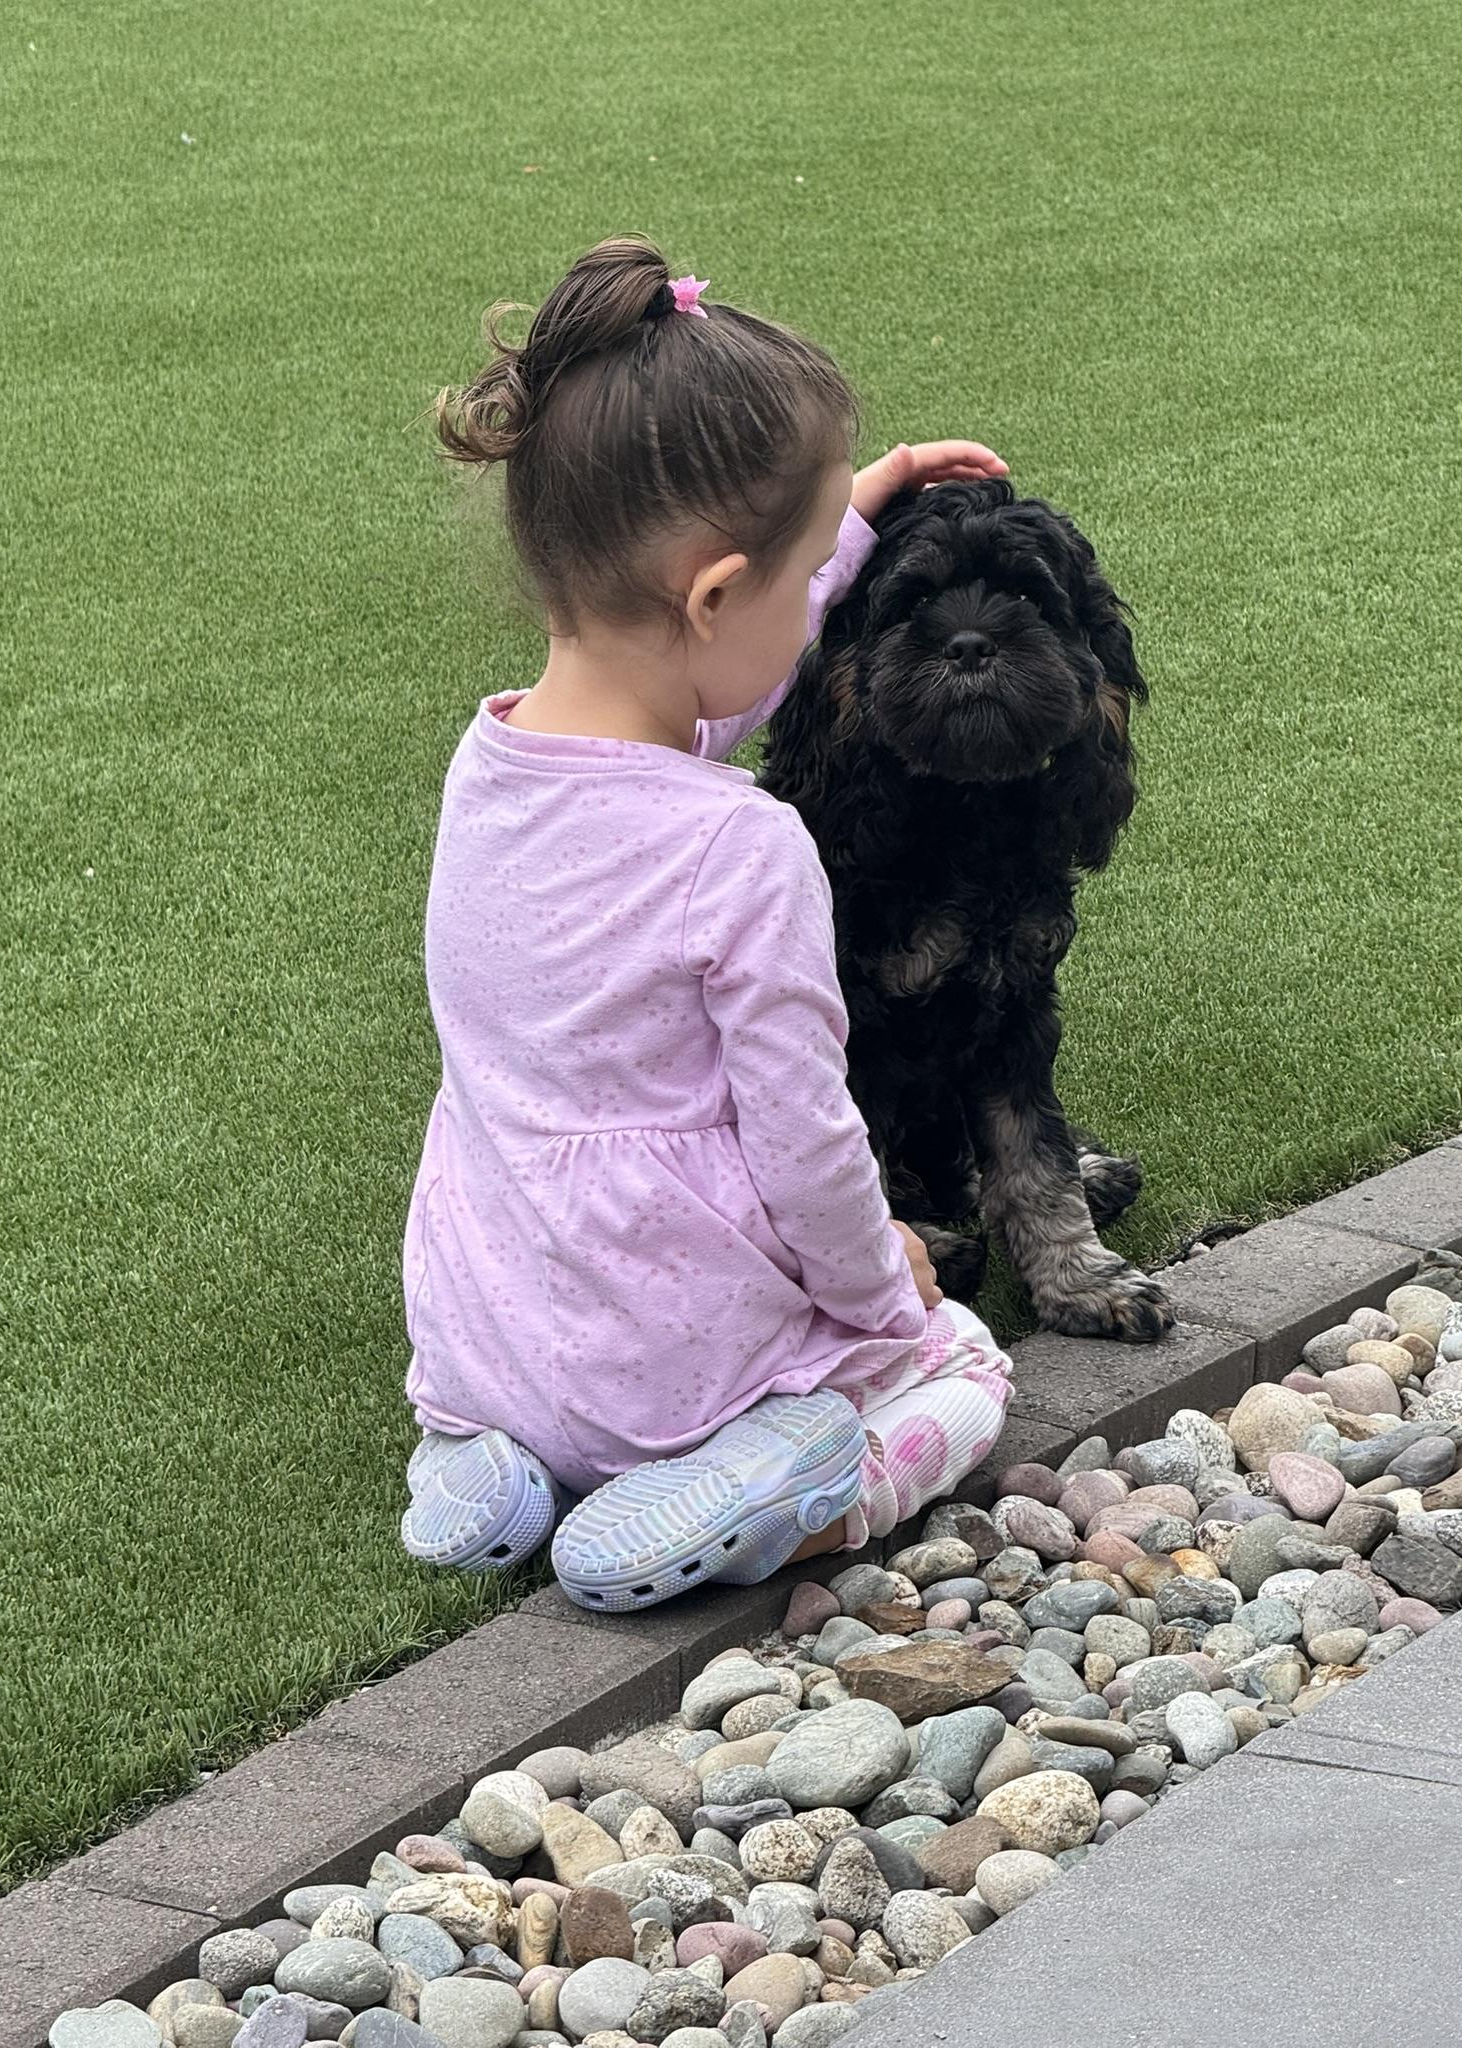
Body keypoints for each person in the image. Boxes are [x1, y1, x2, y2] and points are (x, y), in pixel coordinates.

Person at [401, 236, 1015, 1611]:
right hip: (671, 1359)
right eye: (803, 586)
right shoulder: (744, 849)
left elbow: (690, 699)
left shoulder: (491, 763)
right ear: (716, 594)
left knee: (529, 1353)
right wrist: (882, 1293)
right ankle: (773, 1489)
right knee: (966, 1367)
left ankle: (488, 1464)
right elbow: (804, 1141)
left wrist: (848, 510)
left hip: (487, 1324)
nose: (815, 611)